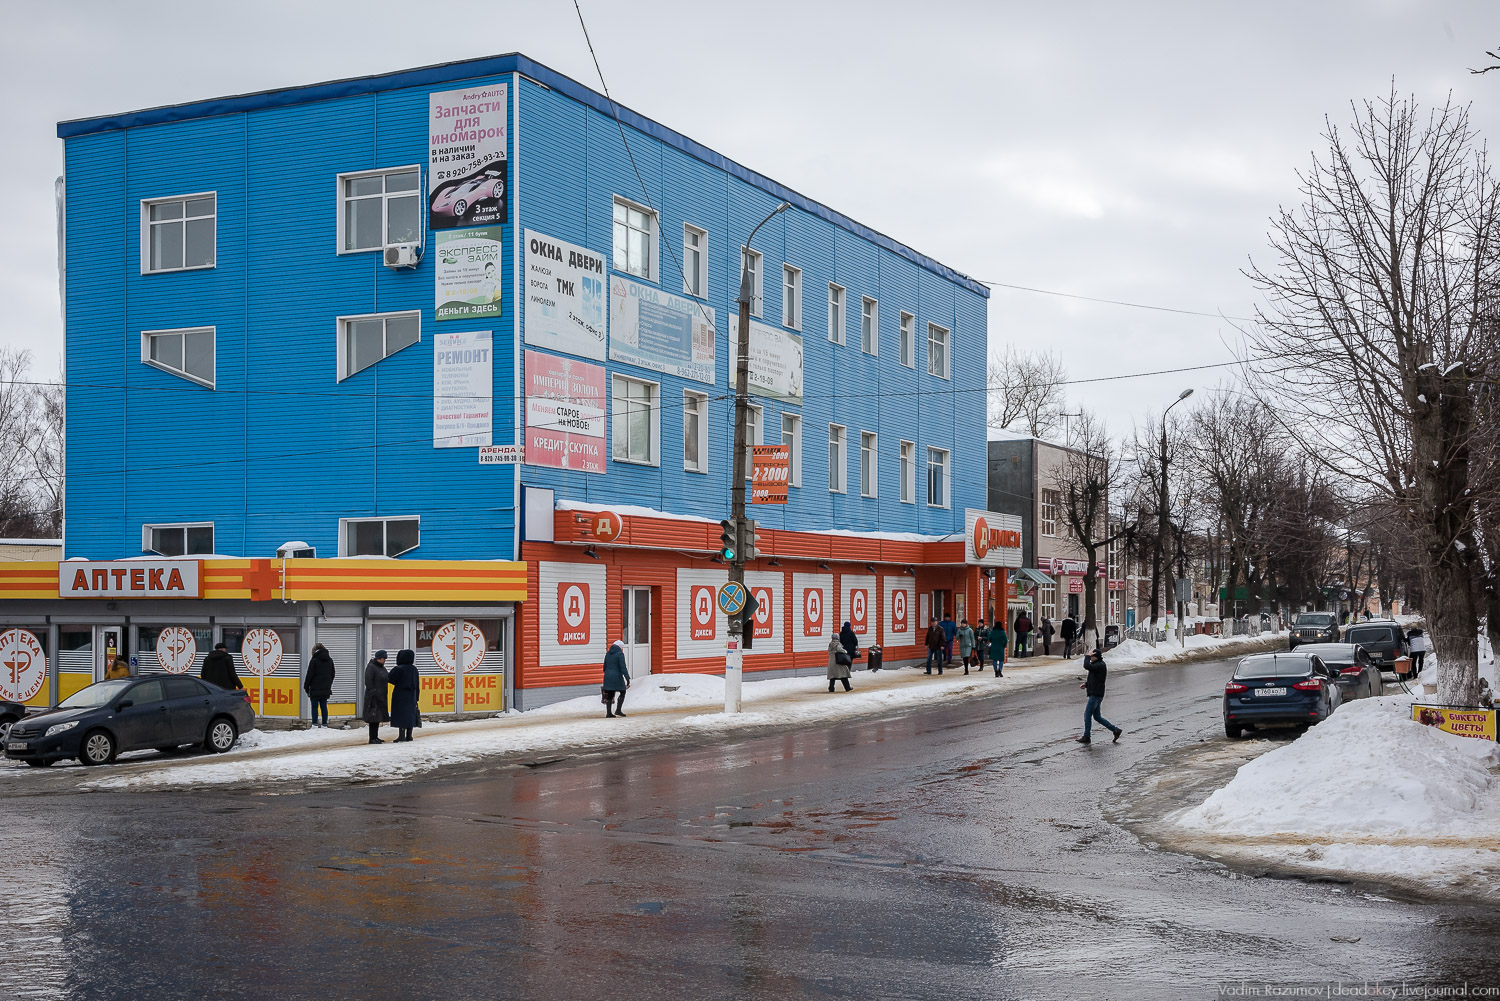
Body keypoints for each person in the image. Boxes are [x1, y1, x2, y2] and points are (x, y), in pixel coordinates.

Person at [1077, 647, 1122, 744]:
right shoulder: (1097, 665)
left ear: (1096, 657)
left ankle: (1086, 736)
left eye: (1092, 656)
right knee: (1097, 716)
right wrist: (1087, 684)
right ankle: (1115, 730)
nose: (1091, 658)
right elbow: (1095, 679)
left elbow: (1086, 666)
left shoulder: (1100, 665)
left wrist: (1087, 656)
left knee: (1087, 714)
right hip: (1096, 693)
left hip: (1096, 695)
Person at [387, 649, 420, 742]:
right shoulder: (414, 669)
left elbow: (390, 679)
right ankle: (409, 736)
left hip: (400, 695)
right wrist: (417, 697)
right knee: (410, 714)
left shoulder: (399, 669)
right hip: (412, 695)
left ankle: (401, 736)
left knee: (401, 714)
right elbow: (417, 684)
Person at [304, 642, 335, 727]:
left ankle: (314, 724)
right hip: (326, 689)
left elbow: (309, 675)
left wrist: (306, 687)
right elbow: (333, 674)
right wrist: (328, 684)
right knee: (324, 706)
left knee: (314, 707)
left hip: (315, 689)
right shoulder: (330, 660)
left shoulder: (314, 660)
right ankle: (325, 724)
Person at [362, 649, 390, 744]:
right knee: (373, 718)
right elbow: (368, 681)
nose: (384, 660)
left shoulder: (381, 668)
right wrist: (373, 692)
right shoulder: (371, 667)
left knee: (377, 717)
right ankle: (372, 738)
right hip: (373, 697)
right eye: (383, 658)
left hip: (380, 696)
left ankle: (375, 736)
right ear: (379, 658)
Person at [602, 638, 630, 717]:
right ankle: (618, 710)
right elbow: (623, 667)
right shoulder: (620, 654)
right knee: (623, 691)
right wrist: (627, 678)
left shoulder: (608, 654)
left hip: (607, 676)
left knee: (610, 694)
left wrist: (607, 673)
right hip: (616, 676)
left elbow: (604, 667)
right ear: (620, 647)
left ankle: (608, 713)